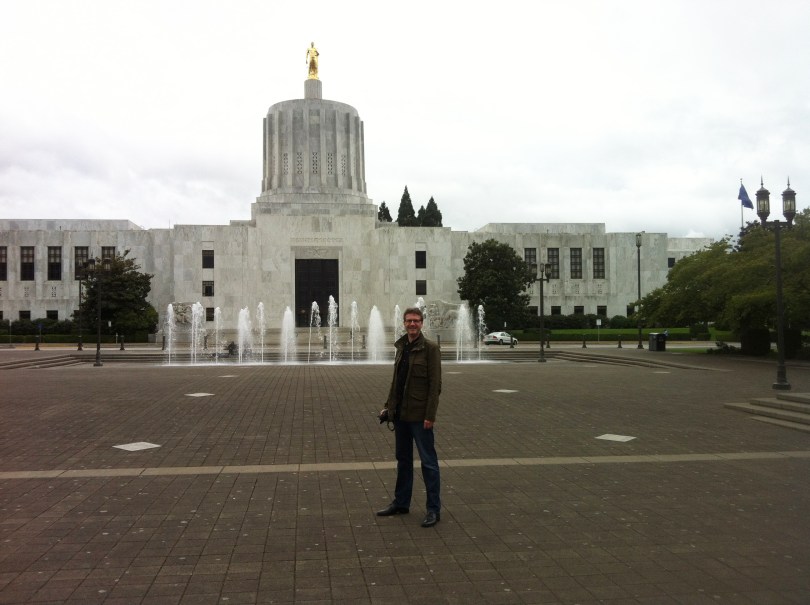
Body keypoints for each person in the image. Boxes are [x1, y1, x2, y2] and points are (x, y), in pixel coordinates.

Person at [376, 307, 442, 527]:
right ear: (404, 323)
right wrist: (388, 407)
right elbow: (397, 382)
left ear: (422, 323)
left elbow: (435, 386)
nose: (412, 324)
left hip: (420, 416)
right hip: (401, 415)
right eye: (408, 321)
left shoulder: (430, 348)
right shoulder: (401, 347)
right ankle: (401, 503)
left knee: (428, 463)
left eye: (416, 321)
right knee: (403, 461)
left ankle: (433, 509)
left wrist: (430, 415)